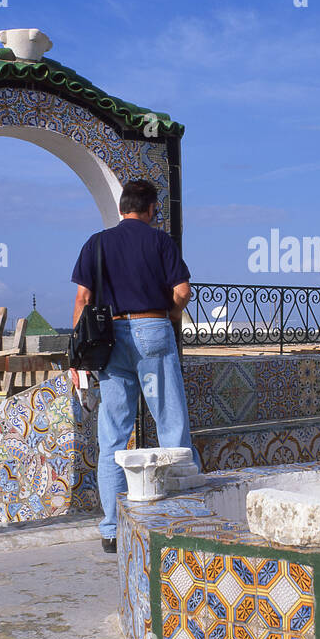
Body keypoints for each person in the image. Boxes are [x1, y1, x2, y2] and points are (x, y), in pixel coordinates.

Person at [69, 179, 198, 553]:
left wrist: (80, 356)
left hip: (109, 340)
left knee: (112, 435)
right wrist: (169, 316)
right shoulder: (160, 242)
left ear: (123, 206)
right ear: (153, 208)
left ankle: (111, 530)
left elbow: (82, 299)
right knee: (170, 423)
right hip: (153, 331)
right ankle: (178, 518)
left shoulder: (96, 243)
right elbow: (183, 291)